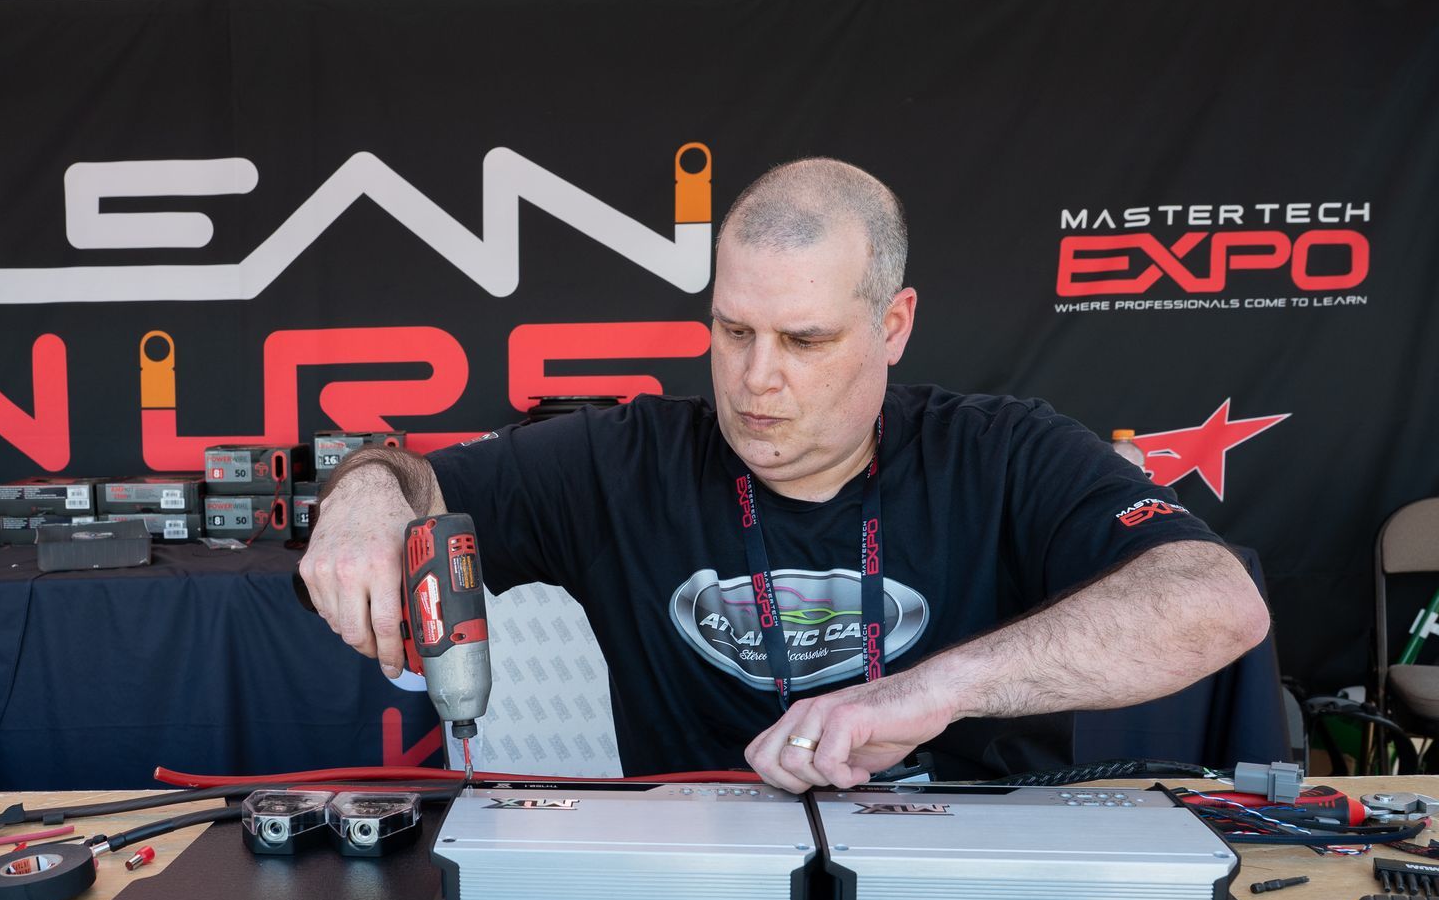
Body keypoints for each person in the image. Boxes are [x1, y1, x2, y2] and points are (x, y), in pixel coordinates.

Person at [297, 157, 1270, 792]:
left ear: (892, 326)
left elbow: (1216, 599)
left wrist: (937, 688)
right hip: (704, 890)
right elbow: (410, 476)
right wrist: (367, 496)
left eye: (804, 339)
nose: (757, 377)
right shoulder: (617, 459)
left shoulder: (1004, 451)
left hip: (971, 886)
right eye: (733, 331)